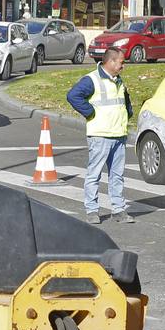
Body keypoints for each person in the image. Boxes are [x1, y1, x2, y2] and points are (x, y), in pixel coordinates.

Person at [65, 46, 134, 225]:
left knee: (117, 175)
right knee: (94, 174)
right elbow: (73, 96)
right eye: (121, 62)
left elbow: (124, 102)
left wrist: (128, 113)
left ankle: (118, 210)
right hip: (100, 134)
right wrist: (90, 113)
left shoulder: (118, 80)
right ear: (110, 62)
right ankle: (92, 211)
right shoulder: (92, 80)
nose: (123, 66)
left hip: (118, 134)